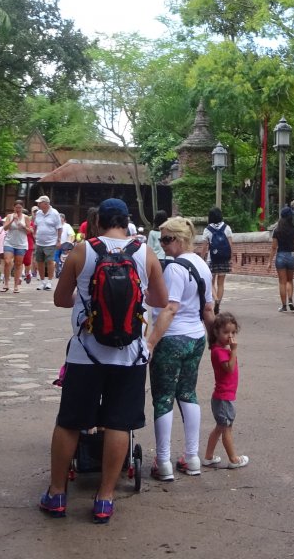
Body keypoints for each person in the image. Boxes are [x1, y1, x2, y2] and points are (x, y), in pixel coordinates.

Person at [42, 197, 166, 525]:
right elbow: (160, 300)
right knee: (118, 422)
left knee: (70, 421)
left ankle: (56, 494)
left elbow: (59, 300)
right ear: (126, 222)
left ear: (97, 223)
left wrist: (86, 296)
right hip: (130, 355)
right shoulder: (144, 252)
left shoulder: (81, 251)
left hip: (85, 353)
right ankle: (105, 498)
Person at [145, 215, 215, 481]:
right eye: (161, 238)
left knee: (163, 398)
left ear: (182, 239)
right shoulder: (202, 265)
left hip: (171, 339)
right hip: (195, 337)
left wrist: (151, 342)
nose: (163, 244)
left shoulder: (174, 268)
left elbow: (170, 308)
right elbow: (208, 308)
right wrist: (212, 340)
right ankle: (192, 456)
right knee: (188, 393)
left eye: (167, 239)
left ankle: (163, 461)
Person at [203, 311, 248, 469]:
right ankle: (233, 459)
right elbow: (229, 368)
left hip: (224, 396)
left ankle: (208, 456)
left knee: (220, 428)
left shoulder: (221, 349)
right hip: (223, 397)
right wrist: (234, 350)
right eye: (226, 332)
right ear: (216, 332)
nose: (230, 336)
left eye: (233, 332)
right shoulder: (219, 351)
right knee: (226, 428)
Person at [32, 192, 64, 290]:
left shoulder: (54, 213)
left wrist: (58, 240)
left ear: (46, 203)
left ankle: (49, 281)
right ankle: (42, 281)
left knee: (50, 261)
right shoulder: (38, 213)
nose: (38, 204)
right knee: (39, 261)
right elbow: (36, 225)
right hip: (39, 241)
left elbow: (59, 228)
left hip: (50, 241)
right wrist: (34, 234)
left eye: (40, 203)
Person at [270, 206, 294, 312]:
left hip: (281, 255)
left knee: (282, 282)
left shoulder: (277, 230)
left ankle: (283, 306)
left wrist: (269, 261)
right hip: (291, 255)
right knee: (290, 280)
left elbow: (274, 247)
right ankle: (290, 300)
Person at [0, 201, 30, 293]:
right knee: (7, 261)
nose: (18, 209)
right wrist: (13, 220)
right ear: (14, 207)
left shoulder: (26, 217)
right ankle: (6, 283)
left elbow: (29, 231)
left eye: (20, 207)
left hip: (21, 243)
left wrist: (23, 226)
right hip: (9, 242)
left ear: (22, 208)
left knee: (18, 264)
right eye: (16, 207)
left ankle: (16, 285)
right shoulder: (9, 216)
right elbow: (5, 228)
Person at [205, 207, 233, 305]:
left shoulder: (208, 229)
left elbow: (205, 247)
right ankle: (218, 304)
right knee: (220, 283)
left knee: (210, 282)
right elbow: (230, 245)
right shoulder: (227, 227)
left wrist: (201, 258)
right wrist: (231, 258)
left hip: (211, 259)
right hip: (224, 259)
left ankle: (215, 299)